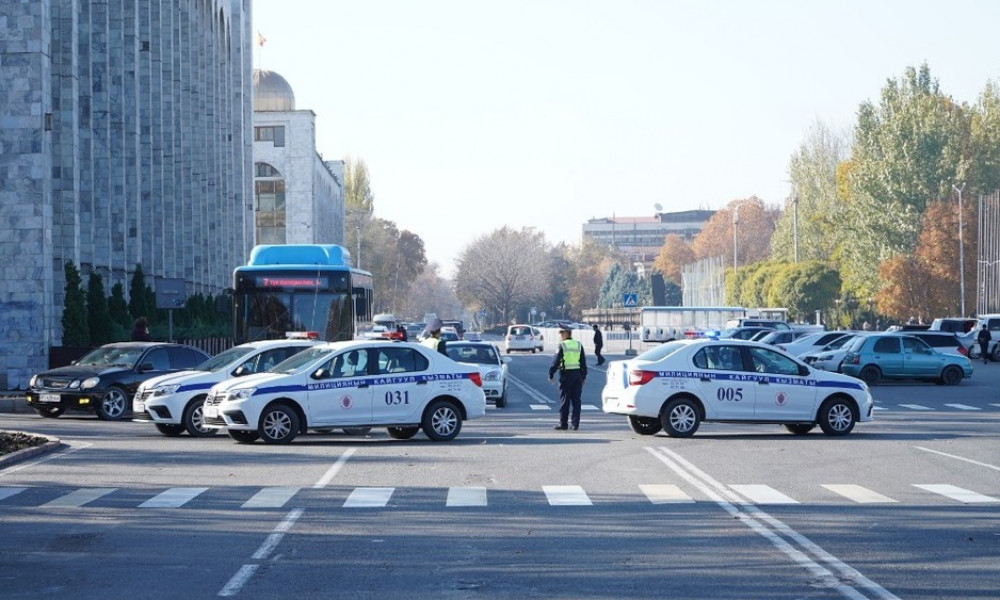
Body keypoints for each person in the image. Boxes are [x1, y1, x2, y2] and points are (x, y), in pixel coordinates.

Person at [548, 325, 587, 431]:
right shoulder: (579, 345)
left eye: (561, 333)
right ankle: (575, 425)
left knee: (565, 401)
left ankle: (563, 424)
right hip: (577, 376)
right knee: (576, 401)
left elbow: (556, 361)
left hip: (566, 376)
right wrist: (583, 377)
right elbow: (583, 363)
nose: (560, 335)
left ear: (566, 333)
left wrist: (551, 374)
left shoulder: (562, 345)